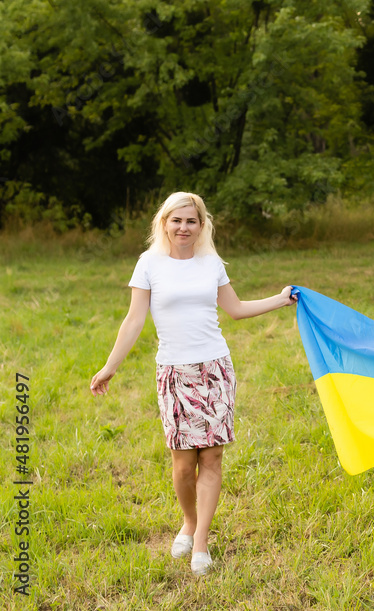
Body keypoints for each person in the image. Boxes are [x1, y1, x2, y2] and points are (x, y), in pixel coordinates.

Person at [89, 192, 296, 576]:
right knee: (184, 465)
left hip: (215, 369)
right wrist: (110, 367)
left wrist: (280, 300)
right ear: (164, 223)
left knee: (212, 458)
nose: (184, 228)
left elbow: (235, 310)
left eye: (191, 221)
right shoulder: (148, 264)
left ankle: (200, 540)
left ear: (202, 226)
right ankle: (188, 520)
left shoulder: (211, 263)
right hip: (174, 372)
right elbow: (134, 320)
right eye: (177, 221)